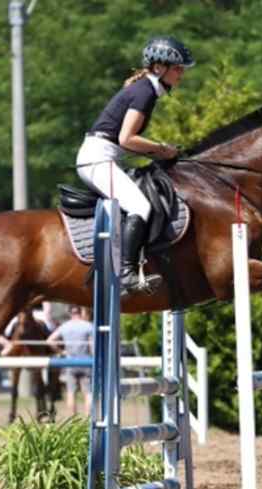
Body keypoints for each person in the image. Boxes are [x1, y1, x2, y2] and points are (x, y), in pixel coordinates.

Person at [76, 36, 195, 296]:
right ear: (159, 68)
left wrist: (160, 152)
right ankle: (127, 274)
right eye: (178, 69)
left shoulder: (146, 89)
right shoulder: (144, 92)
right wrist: (163, 149)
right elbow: (126, 138)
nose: (181, 74)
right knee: (140, 206)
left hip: (105, 155)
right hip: (97, 158)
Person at [47, 306, 93, 415]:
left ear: (70, 313)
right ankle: (88, 420)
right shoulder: (88, 326)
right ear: (81, 312)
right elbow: (92, 346)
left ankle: (74, 421)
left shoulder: (65, 326)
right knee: (88, 393)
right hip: (86, 362)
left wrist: (61, 352)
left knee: (71, 393)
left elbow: (49, 341)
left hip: (70, 362)